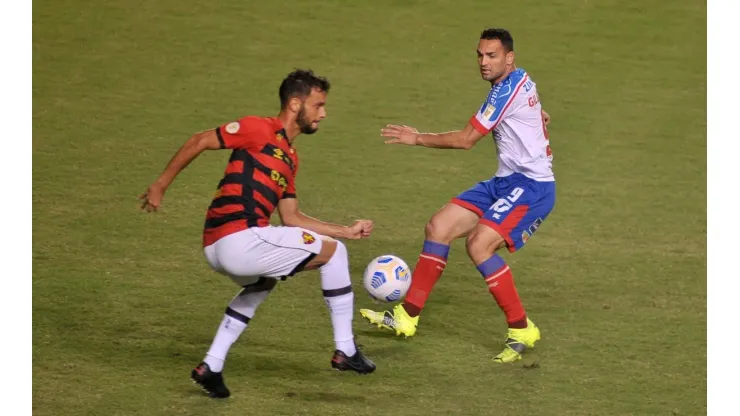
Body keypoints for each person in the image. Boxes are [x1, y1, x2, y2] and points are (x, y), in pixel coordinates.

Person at [139, 69, 376, 399]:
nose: (323, 112)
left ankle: (212, 365)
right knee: (333, 254)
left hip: (219, 246)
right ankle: (345, 350)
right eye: (318, 104)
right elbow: (199, 140)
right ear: (295, 104)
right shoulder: (257, 128)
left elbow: (291, 216)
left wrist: (344, 230)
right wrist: (160, 185)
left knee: (264, 281)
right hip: (238, 240)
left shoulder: (290, 158)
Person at [360, 28, 556, 364]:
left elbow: (466, 140)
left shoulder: (505, 90)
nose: (483, 62)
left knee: (478, 245)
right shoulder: (519, 78)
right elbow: (538, 112)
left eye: (491, 55)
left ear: (509, 58)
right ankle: (407, 317)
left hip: (532, 186)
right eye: (479, 55)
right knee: (439, 227)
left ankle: (521, 328)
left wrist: (417, 138)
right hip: (505, 181)